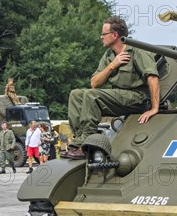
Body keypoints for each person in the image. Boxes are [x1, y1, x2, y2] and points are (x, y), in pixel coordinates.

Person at [63, 16, 160, 160]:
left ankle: (86, 143)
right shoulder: (109, 55)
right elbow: (95, 83)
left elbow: (152, 78)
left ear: (114, 35)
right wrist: (112, 65)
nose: (101, 37)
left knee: (91, 95)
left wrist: (154, 108)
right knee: (76, 94)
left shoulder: (138, 51)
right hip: (119, 97)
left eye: (103, 34)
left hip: (137, 98)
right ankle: (78, 141)